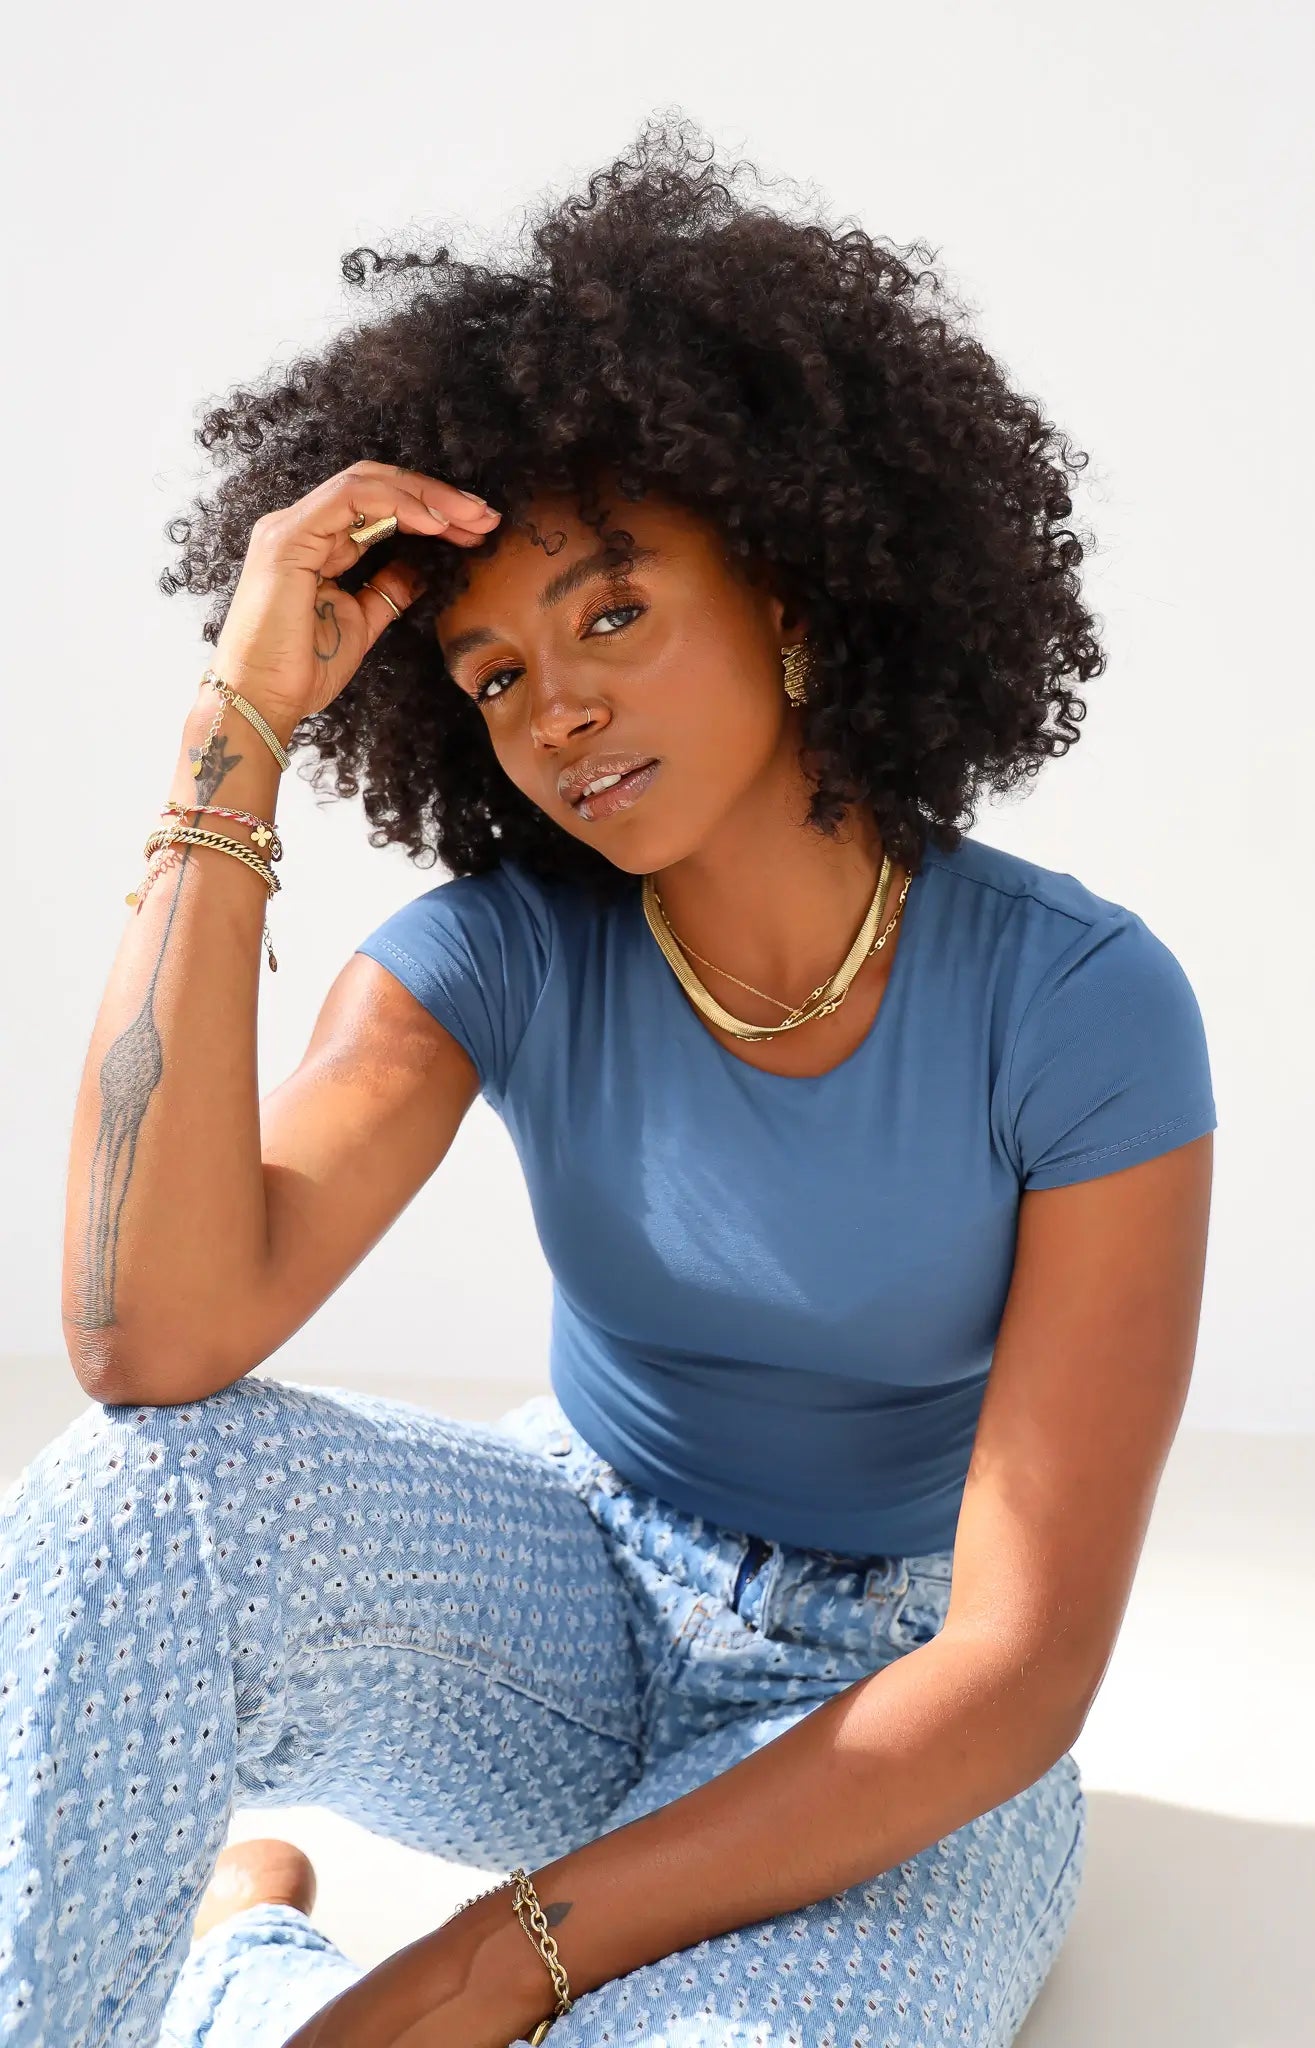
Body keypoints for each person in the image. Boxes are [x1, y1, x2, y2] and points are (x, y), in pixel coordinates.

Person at [0, 116, 1216, 2048]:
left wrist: (483, 1963)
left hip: (893, 1712)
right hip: (562, 1601)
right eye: (493, 676)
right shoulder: (496, 958)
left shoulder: (1080, 1004)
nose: (556, 706)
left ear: (792, 596)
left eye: (614, 613)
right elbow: (147, 1338)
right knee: (138, 1496)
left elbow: (1016, 1664)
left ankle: (249, 1966)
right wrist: (238, 724)